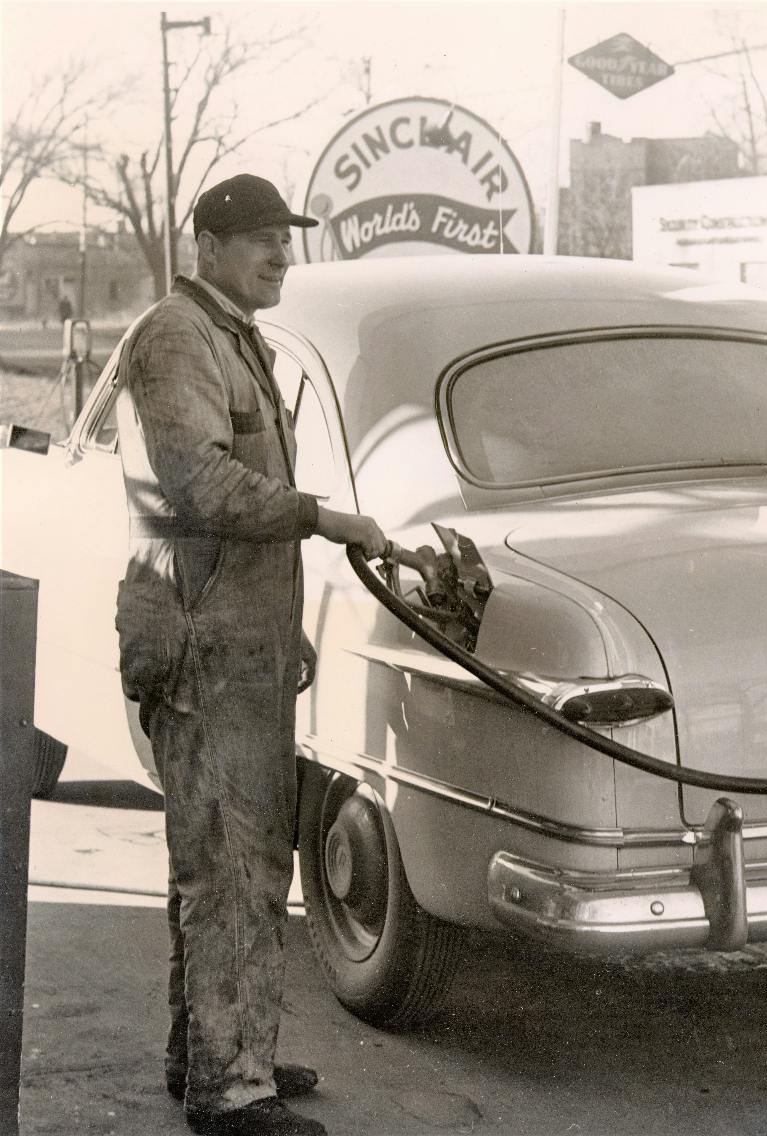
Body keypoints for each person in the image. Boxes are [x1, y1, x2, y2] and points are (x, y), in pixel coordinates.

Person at [113, 173, 385, 1136]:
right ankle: (231, 1095)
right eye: (260, 239)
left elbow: (239, 501)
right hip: (203, 650)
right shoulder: (178, 337)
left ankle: (216, 1054)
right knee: (228, 866)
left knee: (235, 858)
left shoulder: (231, 337)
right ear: (208, 246)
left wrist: (289, 626)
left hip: (243, 639)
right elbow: (200, 484)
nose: (280, 255)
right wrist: (324, 518)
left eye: (285, 238)